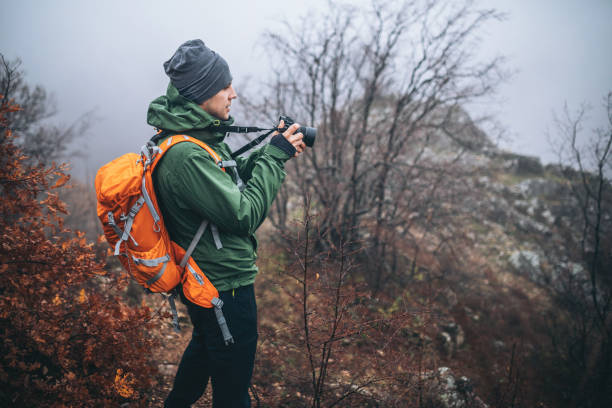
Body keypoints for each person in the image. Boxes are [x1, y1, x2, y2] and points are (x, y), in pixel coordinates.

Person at [147, 39, 305, 408]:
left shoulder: (191, 138)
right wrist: (275, 161)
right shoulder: (186, 154)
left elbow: (224, 184)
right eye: (224, 86)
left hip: (209, 282)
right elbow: (244, 214)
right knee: (233, 392)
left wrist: (271, 150)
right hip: (224, 287)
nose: (233, 93)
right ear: (201, 92)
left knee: (204, 351)